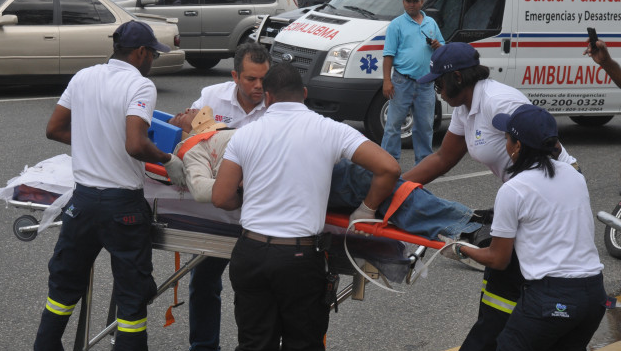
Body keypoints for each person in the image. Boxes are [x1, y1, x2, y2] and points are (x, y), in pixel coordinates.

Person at [211, 62, 401, 351]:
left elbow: (221, 197)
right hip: (299, 258)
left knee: (253, 350)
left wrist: (247, 200)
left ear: (268, 97)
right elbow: (389, 167)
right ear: (306, 94)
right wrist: (365, 210)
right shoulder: (328, 129)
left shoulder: (246, 134)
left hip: (251, 252)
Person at [22, 20, 185, 351]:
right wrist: (168, 159)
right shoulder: (139, 86)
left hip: (81, 202)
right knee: (131, 301)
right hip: (122, 207)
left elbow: (54, 129)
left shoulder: (84, 77)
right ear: (141, 53)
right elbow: (136, 144)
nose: (152, 61)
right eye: (152, 54)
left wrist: (93, 142)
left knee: (63, 289)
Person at [409, 42, 578, 351]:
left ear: (457, 77)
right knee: (501, 301)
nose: (437, 90)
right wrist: (397, 189)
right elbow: (443, 158)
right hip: (521, 203)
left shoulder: (501, 104)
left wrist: (533, 209)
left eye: (439, 82)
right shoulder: (465, 107)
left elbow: (559, 157)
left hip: (539, 210)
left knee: (501, 296)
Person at [449, 104, 606, 351]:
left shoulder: (514, 189)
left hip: (551, 297)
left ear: (517, 146)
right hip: (593, 298)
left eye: (507, 137)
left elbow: (498, 259)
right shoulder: (574, 177)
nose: (505, 143)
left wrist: (458, 249)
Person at [169, 106, 488, 243]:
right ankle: (466, 225)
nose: (186, 110)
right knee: (373, 183)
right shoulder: (191, 149)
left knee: (385, 185)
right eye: (178, 115)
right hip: (292, 176)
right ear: (178, 131)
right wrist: (237, 185)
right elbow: (202, 190)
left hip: (297, 163)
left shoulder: (218, 131)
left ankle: (467, 221)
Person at [177, 43, 273, 351]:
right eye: (250, 79)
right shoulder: (211, 98)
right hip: (215, 214)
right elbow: (187, 138)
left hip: (259, 216)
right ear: (235, 76)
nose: (259, 86)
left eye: (264, 79)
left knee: (265, 289)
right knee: (203, 282)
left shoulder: (278, 104)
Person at [380, 0, 445, 165]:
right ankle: (388, 163)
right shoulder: (396, 24)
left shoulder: (431, 23)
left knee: (425, 126)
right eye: (408, 1)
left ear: (421, 2)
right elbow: (388, 55)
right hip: (402, 81)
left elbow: (443, 47)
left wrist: (438, 46)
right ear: (403, 3)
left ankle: (423, 164)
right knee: (393, 125)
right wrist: (387, 81)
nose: (411, 4)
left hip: (426, 83)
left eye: (415, 1)